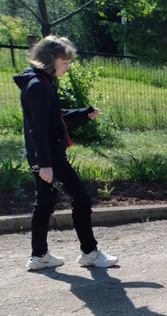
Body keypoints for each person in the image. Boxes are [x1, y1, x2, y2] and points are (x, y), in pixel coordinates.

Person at [13, 35, 117, 270]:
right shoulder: (38, 85)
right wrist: (45, 164)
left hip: (43, 155)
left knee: (45, 202)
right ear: (51, 59)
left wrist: (83, 113)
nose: (68, 67)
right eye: (65, 62)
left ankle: (39, 255)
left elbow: (54, 116)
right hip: (49, 157)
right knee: (81, 199)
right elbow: (38, 128)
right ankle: (89, 252)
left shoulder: (39, 81)